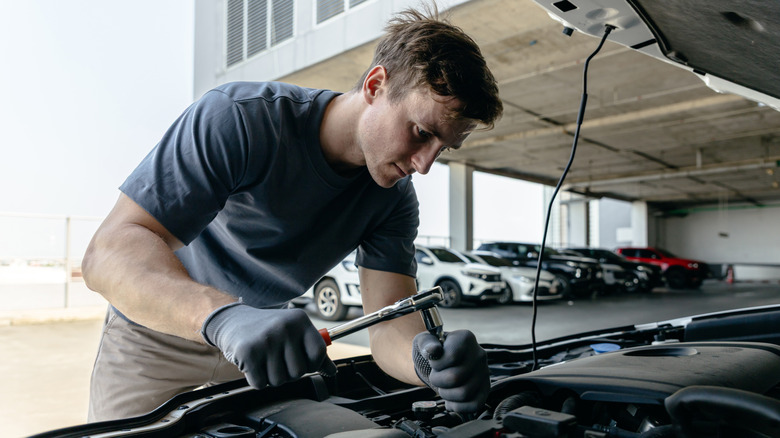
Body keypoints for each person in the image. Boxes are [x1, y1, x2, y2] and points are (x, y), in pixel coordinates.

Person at [82, 5, 503, 422]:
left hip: (264, 351)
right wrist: (223, 318)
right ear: (376, 85)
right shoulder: (240, 119)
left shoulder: (393, 199)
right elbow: (107, 254)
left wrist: (427, 364)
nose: (425, 164)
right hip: (155, 335)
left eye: (443, 148)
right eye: (422, 132)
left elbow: (389, 323)